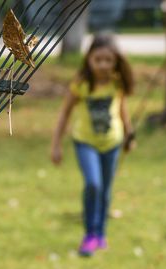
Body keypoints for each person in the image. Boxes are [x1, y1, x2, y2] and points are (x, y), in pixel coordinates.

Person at [50, 33, 135, 257]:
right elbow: (64, 114)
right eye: (98, 59)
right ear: (89, 59)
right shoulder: (81, 84)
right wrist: (56, 144)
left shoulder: (117, 83)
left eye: (108, 60)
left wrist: (129, 133)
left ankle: (101, 234)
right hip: (85, 142)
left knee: (106, 191)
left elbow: (122, 110)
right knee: (94, 185)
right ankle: (89, 235)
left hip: (112, 143)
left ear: (115, 61)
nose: (103, 65)